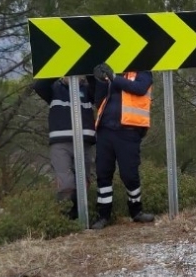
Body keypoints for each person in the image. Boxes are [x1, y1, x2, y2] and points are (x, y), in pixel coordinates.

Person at [91, 63, 155, 230]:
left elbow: (140, 89)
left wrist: (114, 78)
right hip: (105, 130)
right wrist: (102, 81)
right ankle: (103, 216)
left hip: (128, 132)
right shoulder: (109, 74)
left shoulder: (143, 72)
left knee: (129, 174)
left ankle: (136, 212)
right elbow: (98, 101)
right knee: (103, 173)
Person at [33, 75, 96, 220]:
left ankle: (83, 217)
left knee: (83, 182)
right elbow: (38, 86)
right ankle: (66, 218)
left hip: (84, 142)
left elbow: (100, 93)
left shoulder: (87, 90)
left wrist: (89, 73)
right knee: (66, 183)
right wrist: (58, 68)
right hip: (60, 143)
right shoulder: (54, 89)